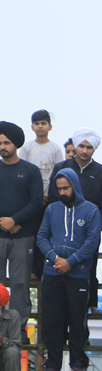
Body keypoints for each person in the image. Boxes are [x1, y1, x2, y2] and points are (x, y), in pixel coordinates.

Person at [36, 168, 101, 371]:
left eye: (66, 188)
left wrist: (70, 262)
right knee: (52, 321)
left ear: (75, 186)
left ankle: (78, 365)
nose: (62, 192)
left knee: (78, 322)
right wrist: (55, 258)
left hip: (78, 274)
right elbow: (41, 237)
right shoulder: (51, 209)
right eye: (59, 189)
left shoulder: (91, 210)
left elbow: (92, 242)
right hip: (53, 272)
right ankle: (52, 365)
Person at [49, 129, 102, 312]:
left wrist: (94, 227)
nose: (85, 150)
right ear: (75, 146)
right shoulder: (61, 168)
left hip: (88, 231)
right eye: (81, 146)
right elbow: (53, 198)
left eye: (89, 147)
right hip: (62, 229)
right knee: (59, 266)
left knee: (89, 267)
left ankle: (91, 304)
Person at [0, 120, 43, 328]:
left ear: (16, 144)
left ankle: (18, 330)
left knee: (20, 285)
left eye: (6, 142)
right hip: (0, 236)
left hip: (23, 237)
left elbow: (36, 203)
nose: (2, 147)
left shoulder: (30, 171)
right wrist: (4, 222)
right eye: (0, 143)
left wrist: (15, 220)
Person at [17, 109, 63, 197]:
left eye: (43, 123)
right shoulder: (27, 147)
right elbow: (21, 170)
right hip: (29, 193)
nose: (40, 126)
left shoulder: (55, 149)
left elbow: (60, 172)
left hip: (50, 194)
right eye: (37, 123)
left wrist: (50, 194)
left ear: (50, 127)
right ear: (32, 127)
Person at [0, 283, 20, 371]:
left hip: (5, 357)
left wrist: (2, 341)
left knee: (13, 353)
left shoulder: (13, 316)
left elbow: (16, 344)